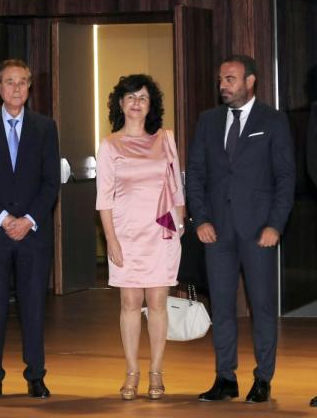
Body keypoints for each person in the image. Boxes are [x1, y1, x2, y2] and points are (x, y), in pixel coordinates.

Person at [186, 55, 295, 404]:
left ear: (251, 81)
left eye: (230, 79)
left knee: (261, 306)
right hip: (216, 232)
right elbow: (196, 175)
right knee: (221, 305)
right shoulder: (207, 121)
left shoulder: (274, 121)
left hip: (259, 231)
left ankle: (263, 378)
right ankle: (225, 377)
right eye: (221, 79)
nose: (223, 86)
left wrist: (275, 225)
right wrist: (200, 219)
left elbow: (285, 177)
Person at [0, 59, 60, 400]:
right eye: (9, 82)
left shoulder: (46, 127)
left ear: (30, 86)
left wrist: (28, 220)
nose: (16, 88)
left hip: (34, 233)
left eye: (22, 82)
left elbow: (51, 182)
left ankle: (36, 375)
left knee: (34, 306)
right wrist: (5, 219)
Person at [95, 75, 185, 401]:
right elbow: (103, 198)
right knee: (130, 303)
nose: (136, 102)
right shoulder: (109, 145)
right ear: (120, 104)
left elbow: (177, 189)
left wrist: (179, 228)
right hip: (126, 233)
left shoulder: (166, 139)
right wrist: (111, 240)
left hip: (161, 232)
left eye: (143, 97)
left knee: (158, 303)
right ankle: (131, 371)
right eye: (130, 97)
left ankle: (156, 371)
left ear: (151, 105)